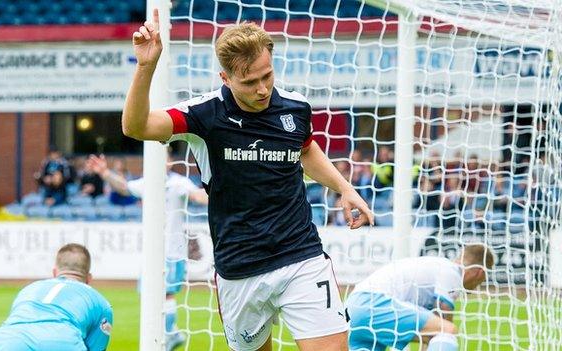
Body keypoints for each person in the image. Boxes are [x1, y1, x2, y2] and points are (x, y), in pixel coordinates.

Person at [122, 10, 373, 351]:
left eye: (267, 76)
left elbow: (305, 149)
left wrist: (344, 188)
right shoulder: (202, 115)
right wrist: (145, 66)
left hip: (301, 255)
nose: (262, 89)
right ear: (225, 77)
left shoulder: (296, 108)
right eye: (249, 82)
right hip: (240, 268)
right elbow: (136, 127)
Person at [87, 153, 208, 351]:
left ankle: (170, 336)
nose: (164, 162)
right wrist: (104, 172)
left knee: (165, 294)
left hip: (172, 250)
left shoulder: (179, 183)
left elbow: (197, 195)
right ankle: (172, 333)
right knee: (151, 294)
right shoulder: (148, 182)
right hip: (153, 250)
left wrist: (219, 194)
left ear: (170, 162)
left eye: (167, 158)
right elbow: (124, 187)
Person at [345, 243, 495, 351]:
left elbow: (429, 332)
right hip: (373, 302)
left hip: (352, 307)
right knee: (447, 331)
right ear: (479, 273)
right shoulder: (452, 272)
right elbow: (442, 324)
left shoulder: (433, 266)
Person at [0, 243, 113, 351]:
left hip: (9, 341)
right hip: (62, 341)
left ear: (54, 272)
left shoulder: (29, 288)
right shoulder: (102, 303)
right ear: (89, 278)